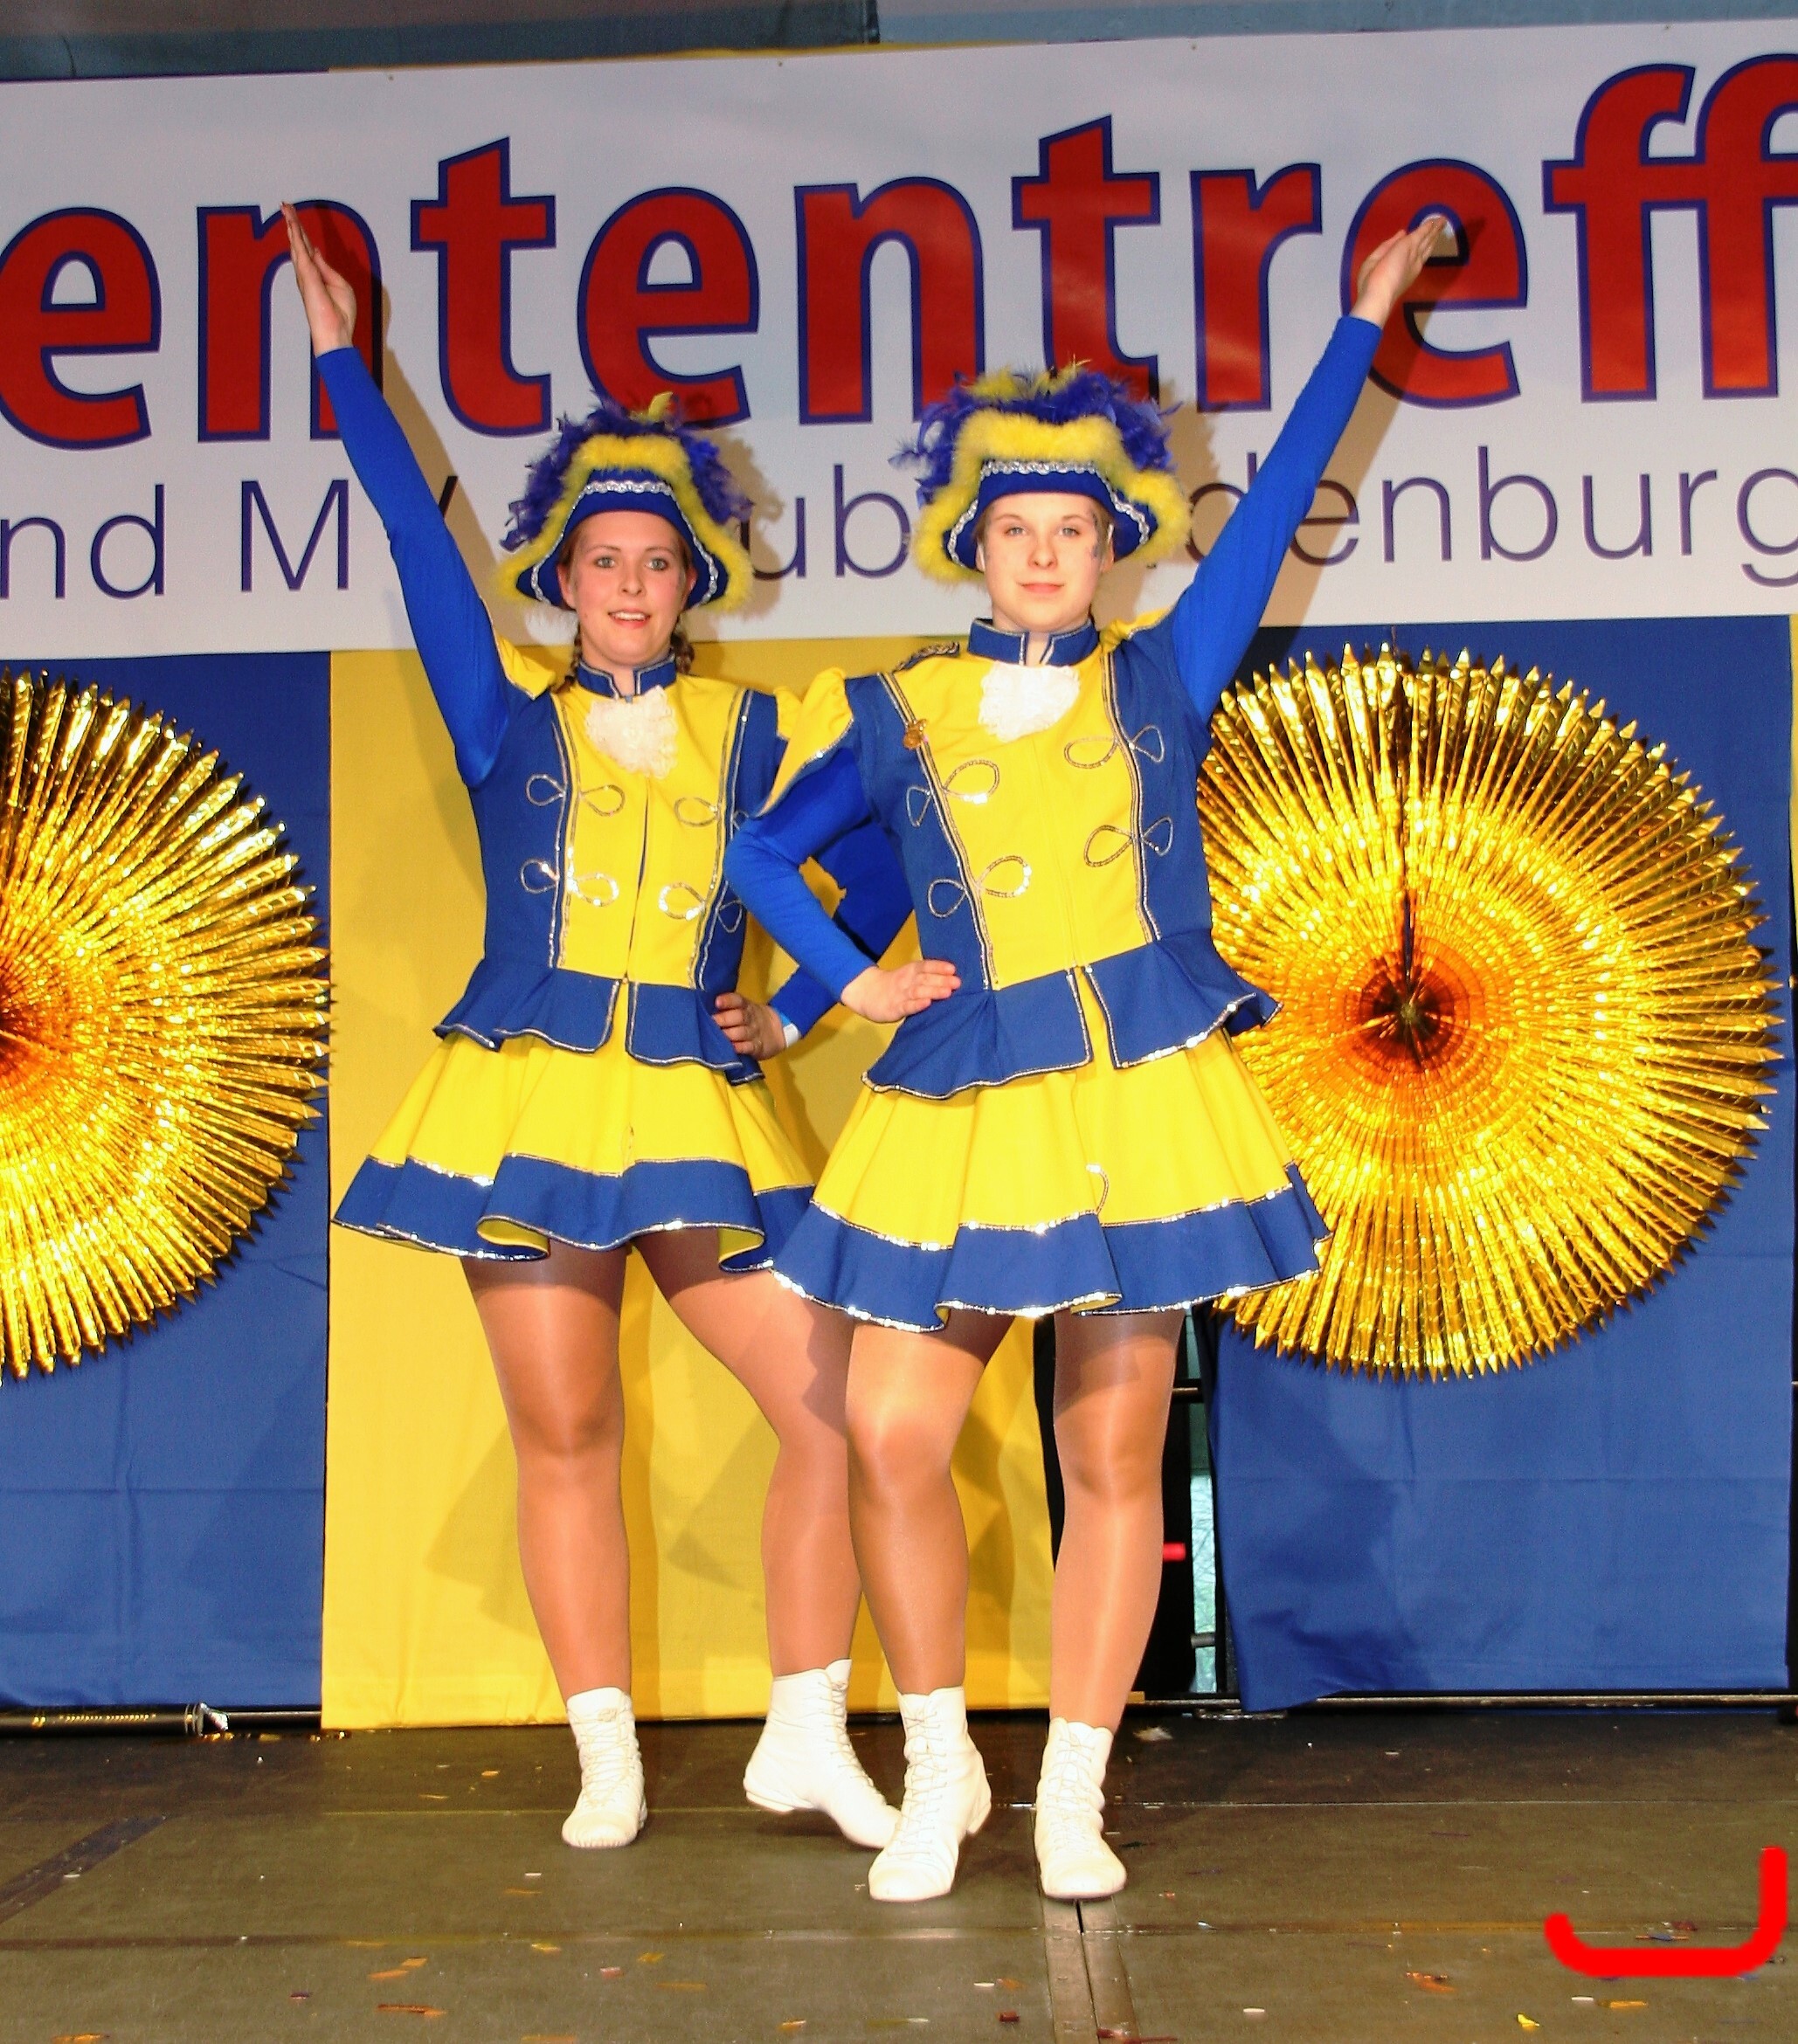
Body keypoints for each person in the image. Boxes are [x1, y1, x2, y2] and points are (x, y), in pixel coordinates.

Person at [724, 217, 1449, 1902]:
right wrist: (852, 978)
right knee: (891, 1430)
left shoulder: (1160, 676)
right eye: (1015, 531)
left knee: (1110, 1454)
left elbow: (1272, 507)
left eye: (1072, 531)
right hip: (958, 1099)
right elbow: (760, 850)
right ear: (970, 549)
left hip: (1131, 1094)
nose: (1044, 554)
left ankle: (1070, 1793)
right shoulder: (899, 706)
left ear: (1114, 548)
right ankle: (937, 1772)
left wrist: (1359, 323)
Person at [281, 205, 919, 1855]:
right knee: (567, 1430)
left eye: (655, 563)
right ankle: (607, 1756)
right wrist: (345, 361)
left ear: (692, 581)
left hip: (696, 1108)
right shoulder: (504, 719)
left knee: (834, 1409)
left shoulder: (757, 729)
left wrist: (800, 998)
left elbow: (885, 845)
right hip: (528, 1104)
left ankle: (804, 1733)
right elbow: (415, 542)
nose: (629, 586)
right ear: (561, 582)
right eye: (601, 563)